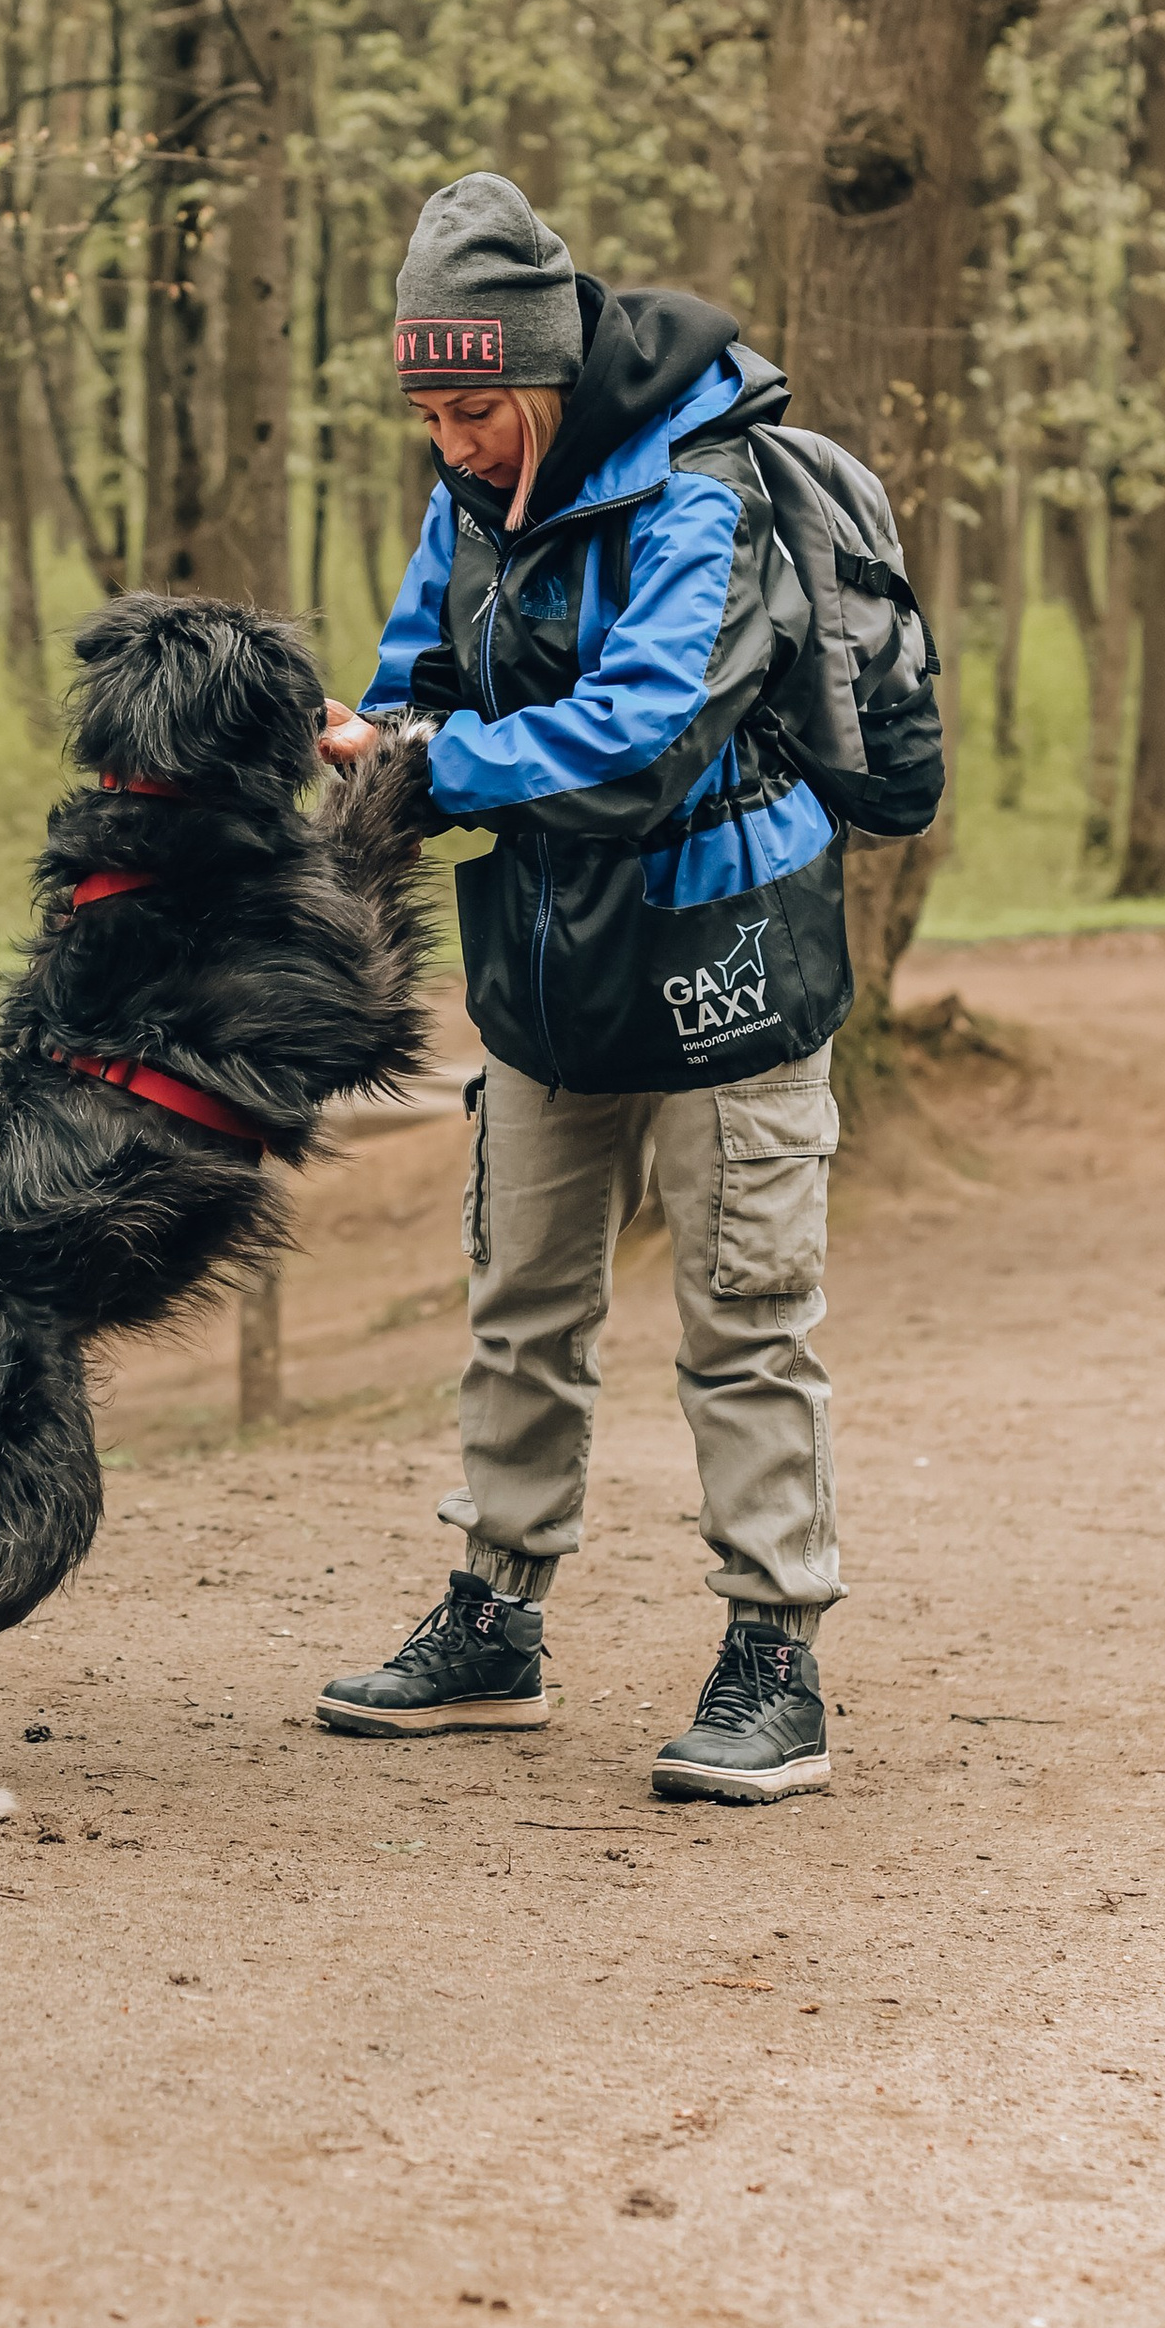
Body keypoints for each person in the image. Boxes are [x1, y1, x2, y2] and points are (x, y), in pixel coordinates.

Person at [314, 173, 851, 1803]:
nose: (454, 441)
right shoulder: (468, 494)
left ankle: (775, 1653)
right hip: (547, 961)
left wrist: (434, 763)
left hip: (722, 951)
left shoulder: (706, 486)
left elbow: (640, 731)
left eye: (476, 406)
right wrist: (358, 737)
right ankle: (494, 1618)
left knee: (744, 1316)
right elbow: (417, 673)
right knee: (522, 1298)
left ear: (547, 371)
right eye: (428, 409)